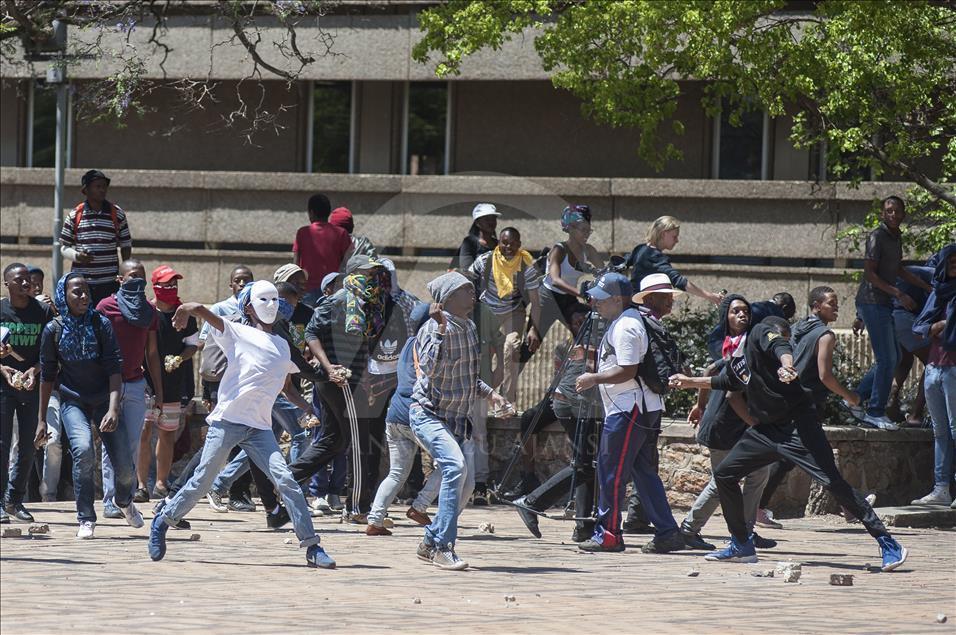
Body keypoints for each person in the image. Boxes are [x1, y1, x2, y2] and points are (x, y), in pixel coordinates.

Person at [669, 316, 909, 571]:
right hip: (766, 431)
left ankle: (888, 543)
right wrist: (689, 382)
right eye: (785, 337)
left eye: (788, 339)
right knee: (725, 474)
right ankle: (741, 544)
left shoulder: (770, 342)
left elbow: (780, 349)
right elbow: (725, 381)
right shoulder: (750, 347)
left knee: (832, 482)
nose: (788, 343)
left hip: (799, 428)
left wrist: (786, 364)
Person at [147, 280, 335, 569]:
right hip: (228, 422)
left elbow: (287, 389)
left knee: (286, 481)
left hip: (259, 428)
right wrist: (186, 308)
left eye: (275, 300)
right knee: (203, 481)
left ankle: (312, 546)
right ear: (249, 306)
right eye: (264, 300)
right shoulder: (237, 332)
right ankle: (164, 519)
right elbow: (203, 311)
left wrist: (307, 406)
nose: (271, 305)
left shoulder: (283, 347)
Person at [574, 272, 684, 554]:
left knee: (611, 472)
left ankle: (609, 534)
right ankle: (668, 531)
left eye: (601, 299)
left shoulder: (625, 326)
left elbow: (627, 370)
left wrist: (593, 378)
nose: (595, 304)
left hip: (628, 409)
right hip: (636, 408)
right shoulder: (626, 322)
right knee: (643, 473)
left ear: (617, 299)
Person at [410, 271, 513, 570]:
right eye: (467, 290)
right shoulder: (432, 329)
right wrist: (441, 330)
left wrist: (492, 395)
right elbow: (428, 368)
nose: (474, 295)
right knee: (455, 468)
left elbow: (468, 376)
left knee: (465, 484)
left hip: (456, 419)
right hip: (428, 414)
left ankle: (429, 540)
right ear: (449, 298)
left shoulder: (468, 326)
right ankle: (442, 547)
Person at [38, 273, 144, 538]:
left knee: (124, 466)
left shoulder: (101, 324)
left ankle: (123, 501)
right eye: (77, 292)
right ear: (64, 295)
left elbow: (114, 368)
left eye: (86, 291)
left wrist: (112, 408)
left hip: (103, 400)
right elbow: (47, 376)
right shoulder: (54, 329)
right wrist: (41, 419)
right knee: (83, 450)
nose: (84, 296)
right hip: (73, 400)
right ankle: (86, 517)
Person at [680, 291, 775, 551]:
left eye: (745, 310)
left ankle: (744, 532)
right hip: (724, 424)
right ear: (726, 317)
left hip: (732, 424)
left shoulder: (739, 343)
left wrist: (700, 406)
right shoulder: (738, 346)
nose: (742, 314)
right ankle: (690, 529)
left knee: (757, 473)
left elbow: (710, 372)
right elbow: (729, 390)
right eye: (735, 311)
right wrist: (701, 405)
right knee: (724, 480)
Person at [512, 304, 601, 542]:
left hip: (578, 403)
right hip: (575, 403)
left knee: (588, 464)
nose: (579, 324)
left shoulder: (601, 328)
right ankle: (532, 501)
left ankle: (583, 527)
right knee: (586, 464)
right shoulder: (600, 330)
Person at [852, 196, 933, 429]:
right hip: (872, 301)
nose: (893, 215)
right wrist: (899, 294)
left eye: (897, 211)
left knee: (894, 358)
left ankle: (856, 397)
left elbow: (897, 269)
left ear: (904, 214)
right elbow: (870, 273)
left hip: (884, 303)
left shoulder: (896, 238)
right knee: (888, 359)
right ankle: (875, 411)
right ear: (882, 214)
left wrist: (925, 287)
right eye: (889, 211)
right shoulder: (877, 236)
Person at [96, 260, 165, 520]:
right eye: (133, 276)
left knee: (133, 444)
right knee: (110, 443)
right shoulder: (105, 307)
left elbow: (153, 353)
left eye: (142, 276)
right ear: (120, 279)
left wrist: (159, 392)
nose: (138, 280)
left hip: (136, 384)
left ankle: (125, 496)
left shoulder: (149, 311)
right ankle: (109, 499)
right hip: (109, 385)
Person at [366, 303, 442, 535]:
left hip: (395, 414)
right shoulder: (431, 345)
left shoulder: (408, 344)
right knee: (452, 463)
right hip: (416, 414)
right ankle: (419, 506)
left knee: (396, 472)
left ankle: (375, 520)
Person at [1, 263, 55, 523]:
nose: (26, 283)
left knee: (27, 445)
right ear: (7, 284)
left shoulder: (42, 311)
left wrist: (34, 371)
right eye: (19, 280)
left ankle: (15, 500)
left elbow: (49, 354)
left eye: (28, 280)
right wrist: (3, 368)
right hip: (3, 386)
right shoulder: (0, 310)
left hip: (31, 386)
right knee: (2, 445)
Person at [468, 226, 542, 408]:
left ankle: (506, 402)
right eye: (504, 243)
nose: (508, 247)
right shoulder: (485, 261)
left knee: (512, 349)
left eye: (513, 243)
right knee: (484, 355)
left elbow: (536, 302)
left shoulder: (526, 266)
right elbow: (467, 279)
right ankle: (480, 396)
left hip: (513, 311)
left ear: (519, 245)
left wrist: (534, 328)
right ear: (498, 242)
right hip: (487, 311)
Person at [144, 265, 198, 499]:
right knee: (143, 431)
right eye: (166, 284)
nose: (171, 288)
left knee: (167, 433)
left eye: (174, 283)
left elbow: (193, 344)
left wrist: (180, 358)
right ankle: (139, 484)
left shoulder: (183, 312)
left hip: (174, 383)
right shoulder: (147, 310)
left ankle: (160, 482)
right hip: (145, 383)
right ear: (155, 286)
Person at [911, 245, 955, 507]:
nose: (954, 266)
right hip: (934, 367)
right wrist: (936, 326)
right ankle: (941, 489)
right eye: (951, 261)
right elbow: (919, 326)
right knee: (940, 432)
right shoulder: (939, 292)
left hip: (954, 368)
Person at [59, 170, 133, 307]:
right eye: (97, 186)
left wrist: (126, 272)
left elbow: (126, 244)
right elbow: (63, 247)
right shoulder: (75, 215)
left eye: (104, 186)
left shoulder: (117, 213)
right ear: (85, 190)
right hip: (82, 283)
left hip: (110, 282)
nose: (102, 190)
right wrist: (77, 256)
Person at [537, 205, 603, 339]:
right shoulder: (559, 250)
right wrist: (582, 294)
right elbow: (555, 280)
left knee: (585, 330)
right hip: (547, 298)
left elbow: (604, 272)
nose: (586, 234)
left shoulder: (589, 250)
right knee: (531, 344)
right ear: (570, 229)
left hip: (568, 298)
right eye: (582, 230)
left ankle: (579, 358)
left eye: (588, 230)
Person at [627, 215, 721, 306]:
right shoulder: (655, 257)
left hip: (631, 304)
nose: (677, 240)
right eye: (674, 236)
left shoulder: (640, 249)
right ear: (664, 234)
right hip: (641, 308)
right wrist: (710, 296)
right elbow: (679, 281)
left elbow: (620, 264)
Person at [887, 264, 934, 425]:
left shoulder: (914, 271)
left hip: (889, 318)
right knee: (933, 362)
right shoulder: (937, 275)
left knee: (904, 362)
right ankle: (916, 415)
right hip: (905, 319)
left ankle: (891, 402)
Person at [293, 193, 352, 306]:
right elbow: (348, 264)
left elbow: (295, 264)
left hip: (307, 290)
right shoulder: (341, 233)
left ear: (311, 212)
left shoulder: (302, 233)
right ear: (329, 212)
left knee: (309, 322)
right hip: (333, 289)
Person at [706, 292, 796, 361]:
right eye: (787, 316)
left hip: (715, 341)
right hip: (728, 345)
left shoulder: (759, 305)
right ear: (784, 307)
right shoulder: (775, 313)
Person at [451, 203, 499, 272]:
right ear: (477, 223)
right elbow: (467, 270)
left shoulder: (500, 244)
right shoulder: (469, 243)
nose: (491, 222)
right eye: (487, 219)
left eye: (493, 219)